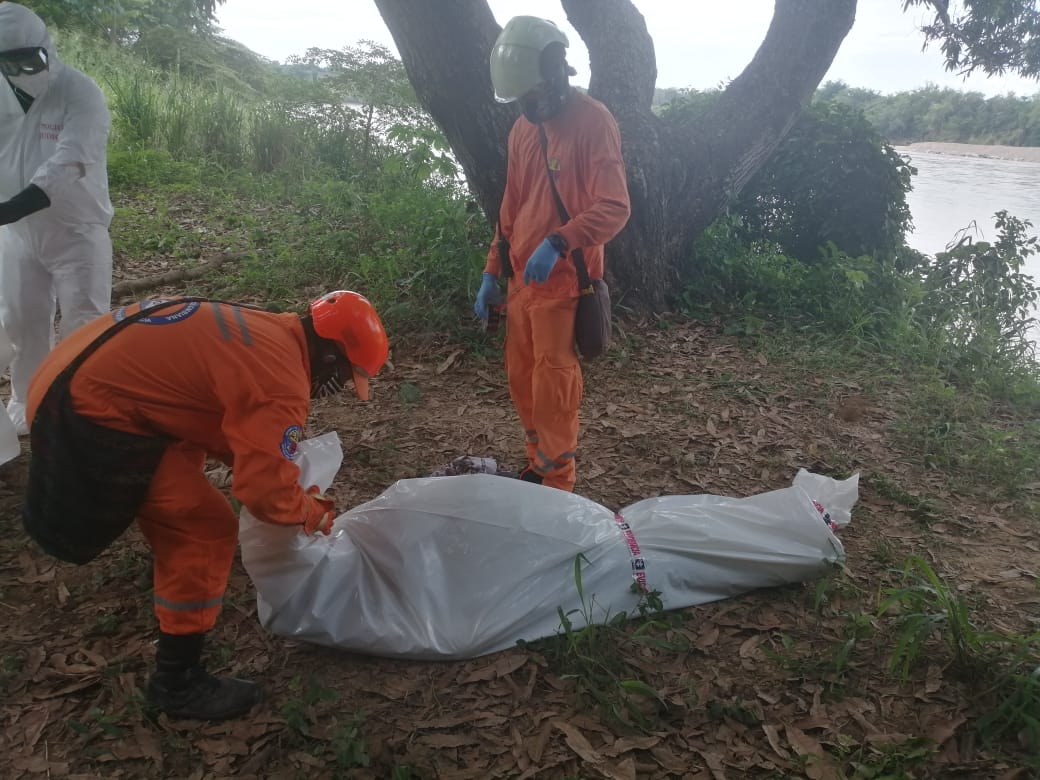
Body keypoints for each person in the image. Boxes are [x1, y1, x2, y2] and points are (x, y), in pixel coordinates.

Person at [23, 292, 389, 721]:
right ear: (329, 356)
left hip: (66, 372)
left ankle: (169, 568)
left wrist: (275, 470)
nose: (338, 388)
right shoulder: (279, 379)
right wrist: (310, 511)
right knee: (206, 528)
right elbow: (265, 494)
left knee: (184, 475)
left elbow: (217, 422)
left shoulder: (269, 329)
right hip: (91, 407)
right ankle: (177, 681)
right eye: (344, 377)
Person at [475, 16, 631, 492]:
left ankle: (558, 483)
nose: (528, 107)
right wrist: (493, 269)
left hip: (565, 284)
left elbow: (615, 207)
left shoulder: (594, 122)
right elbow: (512, 202)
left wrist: (560, 240)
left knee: (554, 387)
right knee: (522, 379)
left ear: (557, 73)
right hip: (524, 282)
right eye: (522, 100)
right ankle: (535, 465)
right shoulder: (524, 129)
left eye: (534, 96)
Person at [0, 2, 114, 435]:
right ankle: (27, 402)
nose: (26, 68)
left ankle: (79, 409)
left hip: (76, 229)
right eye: (13, 62)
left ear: (47, 47)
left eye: (33, 57)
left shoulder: (79, 92)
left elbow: (71, 161)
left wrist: (9, 207)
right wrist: (10, 216)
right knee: (21, 319)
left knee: (83, 322)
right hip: (17, 232)